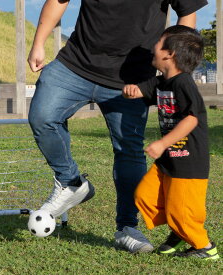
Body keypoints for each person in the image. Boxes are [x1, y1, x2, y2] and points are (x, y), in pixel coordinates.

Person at [27, 0, 208, 253]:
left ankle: (127, 228)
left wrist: (176, 69)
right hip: (74, 64)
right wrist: (38, 43)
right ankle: (71, 183)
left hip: (133, 78)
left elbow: (187, 12)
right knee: (42, 116)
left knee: (129, 149)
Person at [122, 25, 219, 260]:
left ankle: (204, 246)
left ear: (169, 53)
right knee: (145, 195)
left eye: (157, 43)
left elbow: (192, 119)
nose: (152, 48)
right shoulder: (161, 82)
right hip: (169, 159)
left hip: (188, 160)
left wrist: (163, 143)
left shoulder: (183, 83)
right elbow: (141, 91)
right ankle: (179, 232)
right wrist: (131, 91)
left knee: (183, 210)